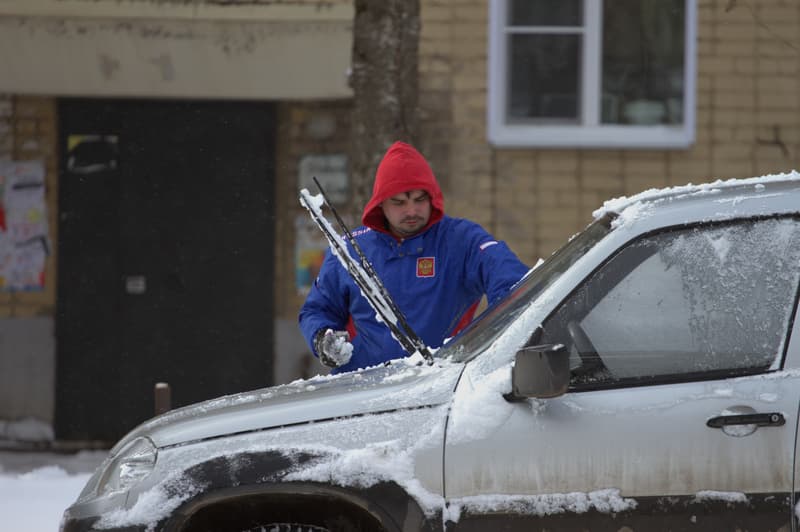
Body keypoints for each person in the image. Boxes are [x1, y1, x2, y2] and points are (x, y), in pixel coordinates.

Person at [299, 141, 529, 373]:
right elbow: (317, 310)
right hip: (359, 386)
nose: (411, 211)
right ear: (380, 204)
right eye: (399, 202)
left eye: (419, 200)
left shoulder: (461, 241)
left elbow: (513, 284)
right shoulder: (351, 248)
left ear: (433, 199)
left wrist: (500, 339)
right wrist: (323, 340)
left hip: (437, 386)